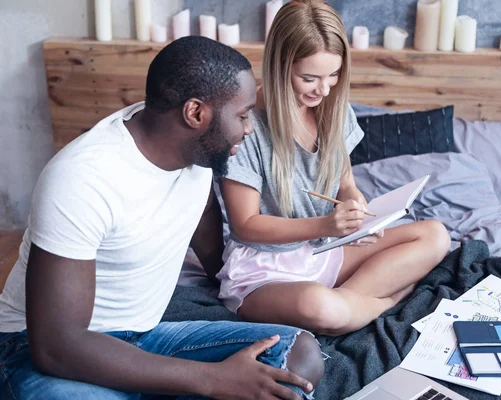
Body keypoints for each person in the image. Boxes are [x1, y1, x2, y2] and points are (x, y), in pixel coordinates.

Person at [0, 36, 323, 400]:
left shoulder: (199, 151)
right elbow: (57, 347)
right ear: (196, 114)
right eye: (243, 115)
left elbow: (200, 213)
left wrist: (232, 286)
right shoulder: (82, 178)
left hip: (142, 337)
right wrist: (209, 378)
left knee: (297, 354)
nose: (248, 129)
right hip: (39, 350)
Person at [216, 0, 451, 336]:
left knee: (434, 235)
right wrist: (325, 224)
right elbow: (247, 225)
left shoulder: (333, 109)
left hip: (325, 249)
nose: (324, 90)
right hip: (266, 267)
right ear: (280, 66)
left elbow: (346, 185)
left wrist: (358, 209)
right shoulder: (246, 124)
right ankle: (385, 302)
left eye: (334, 75)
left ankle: (350, 307)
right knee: (319, 306)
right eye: (309, 78)